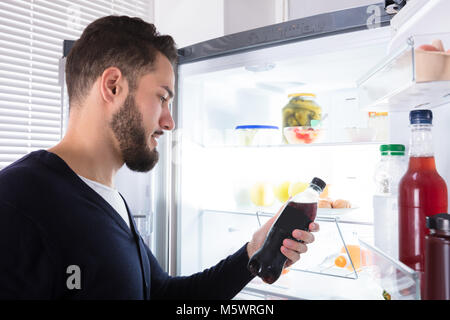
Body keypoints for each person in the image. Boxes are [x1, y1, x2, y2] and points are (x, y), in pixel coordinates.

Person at [0, 15, 319, 300]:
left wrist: (253, 251)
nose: (169, 121)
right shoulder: (15, 201)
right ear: (113, 86)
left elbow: (163, 295)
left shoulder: (111, 200)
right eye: (162, 97)